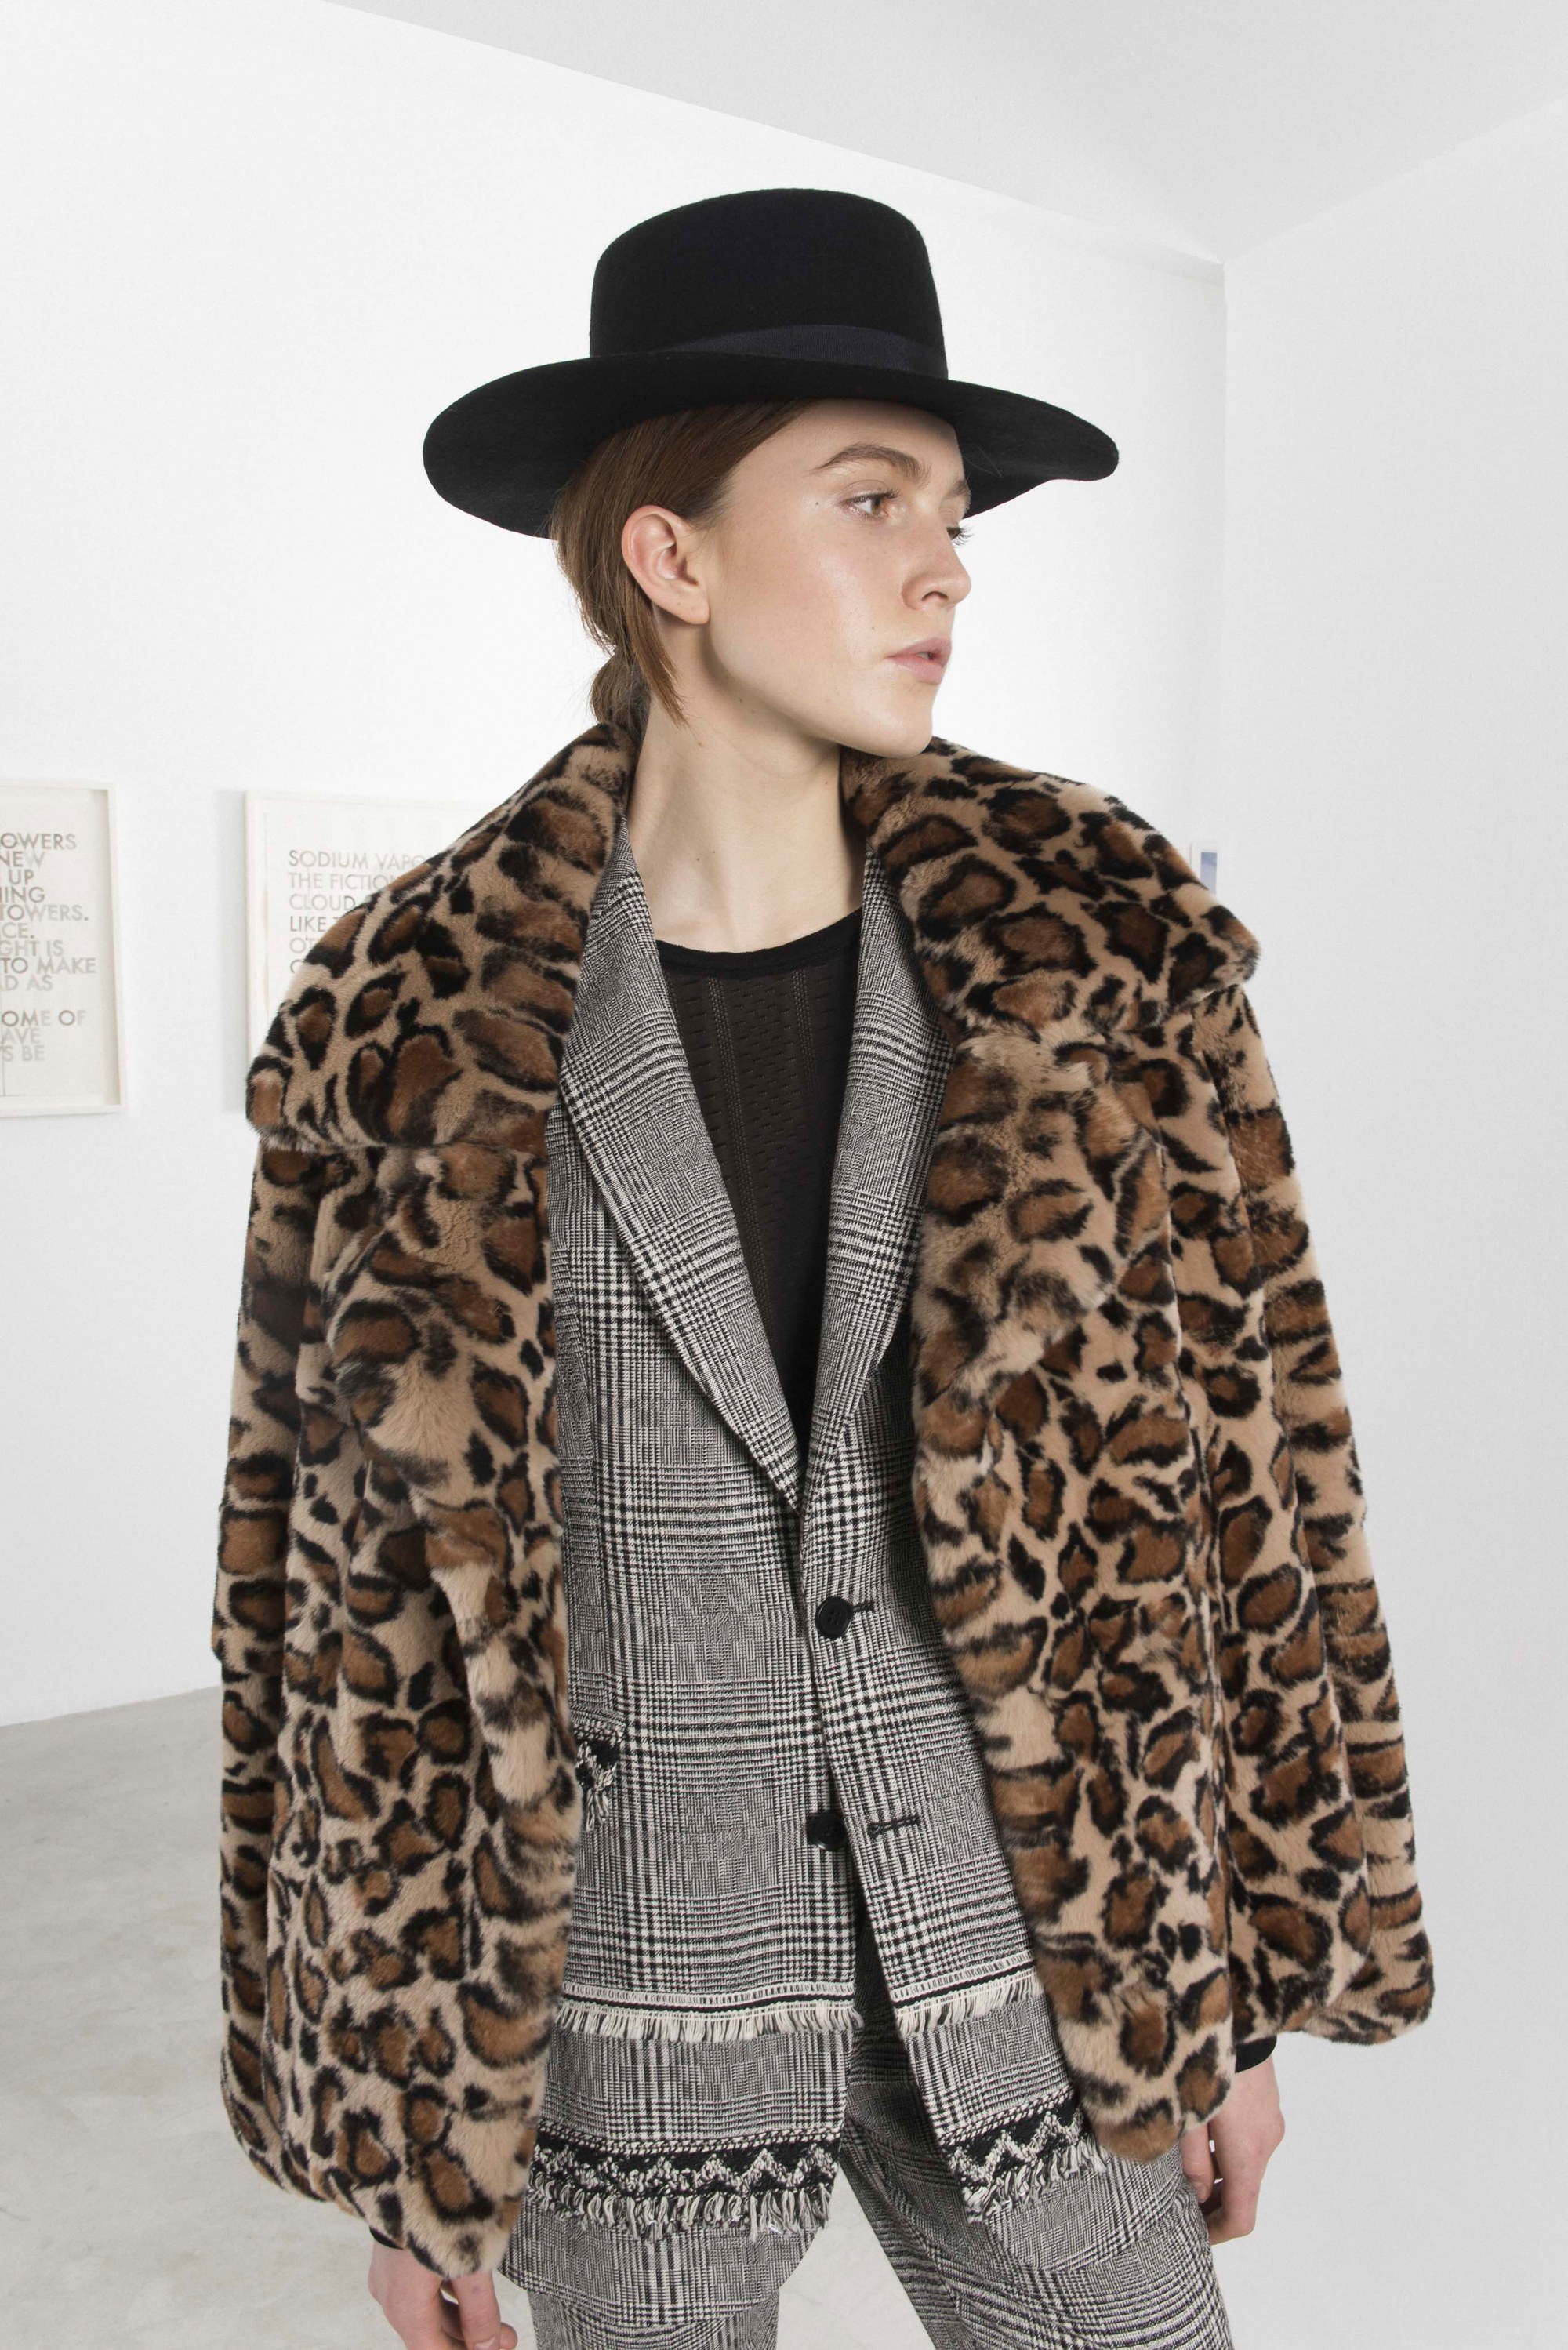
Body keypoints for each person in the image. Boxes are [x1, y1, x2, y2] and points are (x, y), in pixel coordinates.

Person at [214, 191, 1433, 2350]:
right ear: (670, 559)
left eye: (954, 516)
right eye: (872, 501)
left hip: (1052, 1963)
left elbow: (1253, 1513)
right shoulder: (406, 1026)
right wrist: (408, 2159)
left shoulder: (1107, 962)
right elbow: (330, 1633)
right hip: (619, 2026)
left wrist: (1225, 1998)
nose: (945, 568)